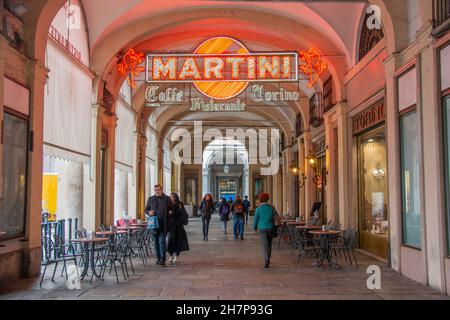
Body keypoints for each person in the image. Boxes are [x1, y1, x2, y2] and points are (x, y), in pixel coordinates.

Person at [144, 184, 172, 266]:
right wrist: (149, 212)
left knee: (162, 241)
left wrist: (170, 212)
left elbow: (171, 208)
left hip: (164, 224)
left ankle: (163, 258)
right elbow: (146, 209)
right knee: (155, 242)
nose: (157, 191)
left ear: (161, 190)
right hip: (154, 224)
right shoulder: (151, 199)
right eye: (155, 190)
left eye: (158, 190)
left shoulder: (167, 199)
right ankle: (158, 258)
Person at [253, 192, 278, 268]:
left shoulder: (258, 209)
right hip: (270, 227)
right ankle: (268, 259)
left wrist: (254, 227)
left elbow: (255, 219)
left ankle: (266, 260)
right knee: (269, 244)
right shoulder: (272, 207)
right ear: (268, 199)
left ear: (260, 199)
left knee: (264, 245)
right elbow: (277, 217)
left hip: (262, 228)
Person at [167, 193, 190, 264]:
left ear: (176, 197)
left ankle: (177, 255)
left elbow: (184, 214)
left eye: (173, 197)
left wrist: (180, 222)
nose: (172, 198)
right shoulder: (168, 204)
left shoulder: (180, 204)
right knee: (170, 240)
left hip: (178, 226)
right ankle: (170, 255)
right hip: (171, 226)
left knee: (178, 240)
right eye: (171, 197)